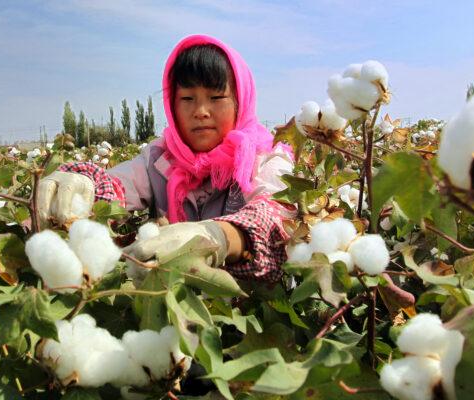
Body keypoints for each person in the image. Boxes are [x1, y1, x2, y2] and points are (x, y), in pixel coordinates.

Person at [37, 34, 294, 283]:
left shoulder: (268, 159)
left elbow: (276, 222)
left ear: (240, 101)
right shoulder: (159, 159)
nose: (201, 112)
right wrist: (85, 187)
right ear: (172, 104)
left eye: (216, 98)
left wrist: (220, 237)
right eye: (187, 99)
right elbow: (116, 187)